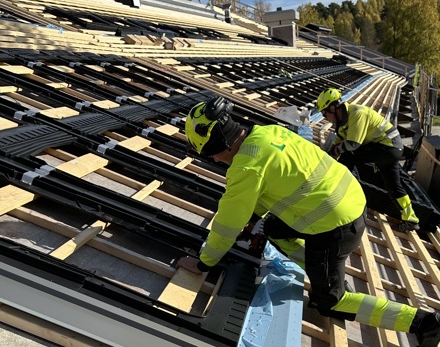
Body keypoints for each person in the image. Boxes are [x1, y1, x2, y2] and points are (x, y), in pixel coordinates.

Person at [177, 95, 440, 347]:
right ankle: (322, 272)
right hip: (349, 198)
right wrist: (254, 218)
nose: (212, 159)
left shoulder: (245, 167)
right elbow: (260, 189)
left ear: (216, 144)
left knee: (329, 303)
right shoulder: (267, 133)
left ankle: (424, 323)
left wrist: (202, 263)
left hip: (336, 224)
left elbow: (226, 225)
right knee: (273, 229)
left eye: (208, 154)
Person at [316, 88, 420, 232]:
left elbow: (353, 144)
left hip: (389, 148)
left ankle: (340, 195)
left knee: (349, 155)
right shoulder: (341, 121)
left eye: (324, 114)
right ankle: (411, 219)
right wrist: (328, 156)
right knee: (393, 186)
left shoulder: (357, 114)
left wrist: (335, 154)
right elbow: (338, 143)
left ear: (332, 108)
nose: (325, 118)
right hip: (388, 150)